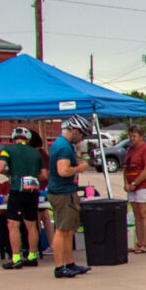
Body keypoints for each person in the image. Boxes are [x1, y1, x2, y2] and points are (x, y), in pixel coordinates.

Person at [0, 126, 46, 267]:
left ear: (13, 138)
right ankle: (32, 256)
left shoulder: (8, 150)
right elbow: (44, 175)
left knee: (13, 225)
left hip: (17, 189)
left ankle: (16, 258)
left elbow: (0, 167)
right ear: (28, 138)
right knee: (31, 224)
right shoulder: (36, 153)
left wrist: (10, 174)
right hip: (33, 190)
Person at [48, 118, 89, 278]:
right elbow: (63, 171)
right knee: (62, 230)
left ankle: (70, 263)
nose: (82, 139)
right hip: (62, 192)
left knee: (68, 229)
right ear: (75, 131)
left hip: (66, 191)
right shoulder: (64, 147)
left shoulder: (63, 144)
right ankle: (59, 267)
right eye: (82, 135)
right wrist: (80, 168)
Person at [121, 126, 146, 251]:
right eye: (130, 136)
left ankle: (145, 243)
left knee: (143, 213)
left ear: (142, 136)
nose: (132, 138)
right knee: (136, 214)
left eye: (135, 136)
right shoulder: (130, 150)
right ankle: (138, 242)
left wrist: (135, 182)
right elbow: (126, 168)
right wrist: (126, 183)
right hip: (132, 186)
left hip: (144, 185)